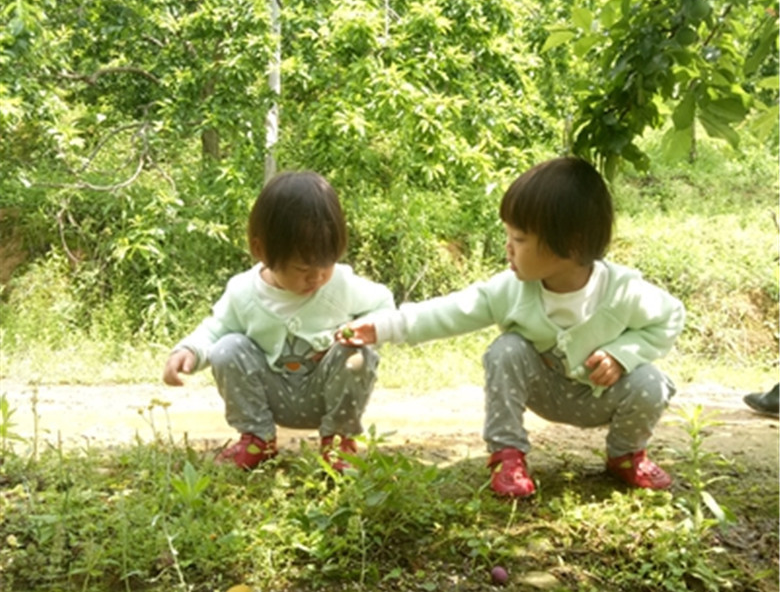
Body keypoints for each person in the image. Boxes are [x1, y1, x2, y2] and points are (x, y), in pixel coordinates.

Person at [338, 157, 685, 497]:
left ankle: (626, 455)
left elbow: (671, 317)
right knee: (506, 350)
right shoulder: (511, 290)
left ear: (572, 244)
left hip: (600, 396)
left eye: (519, 239)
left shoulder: (623, 291)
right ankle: (507, 455)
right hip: (543, 389)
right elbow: (451, 311)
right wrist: (383, 327)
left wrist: (623, 354)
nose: (508, 248)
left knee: (651, 382)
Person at [163, 170, 395, 470]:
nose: (317, 277)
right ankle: (258, 440)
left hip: (325, 391)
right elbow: (215, 329)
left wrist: (361, 331)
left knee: (359, 354)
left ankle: (338, 442)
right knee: (227, 347)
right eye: (302, 268)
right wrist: (189, 351)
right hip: (268, 395)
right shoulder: (243, 292)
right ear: (262, 251)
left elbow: (384, 304)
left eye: (326, 264)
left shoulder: (341, 285)